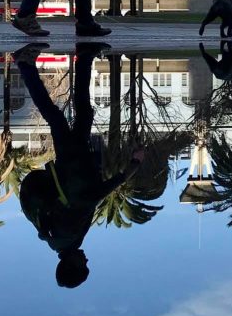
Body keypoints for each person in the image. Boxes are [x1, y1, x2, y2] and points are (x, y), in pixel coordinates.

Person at [15, 42, 144, 287]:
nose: (86, 260)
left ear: (72, 265)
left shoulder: (68, 236)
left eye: (83, 265)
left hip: (74, 164)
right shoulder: (58, 241)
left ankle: (26, 65)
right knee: (80, 113)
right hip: (71, 165)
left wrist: (131, 168)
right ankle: (84, 57)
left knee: (56, 115)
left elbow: (87, 198)